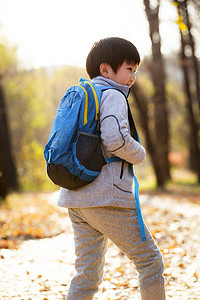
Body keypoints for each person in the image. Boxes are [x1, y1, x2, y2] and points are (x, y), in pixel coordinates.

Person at [57, 37, 166, 300]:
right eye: (129, 69)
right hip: (108, 197)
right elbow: (115, 140)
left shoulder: (85, 95)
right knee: (150, 263)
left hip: (75, 197)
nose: (133, 77)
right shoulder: (113, 95)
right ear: (105, 70)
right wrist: (139, 153)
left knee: (86, 274)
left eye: (135, 70)